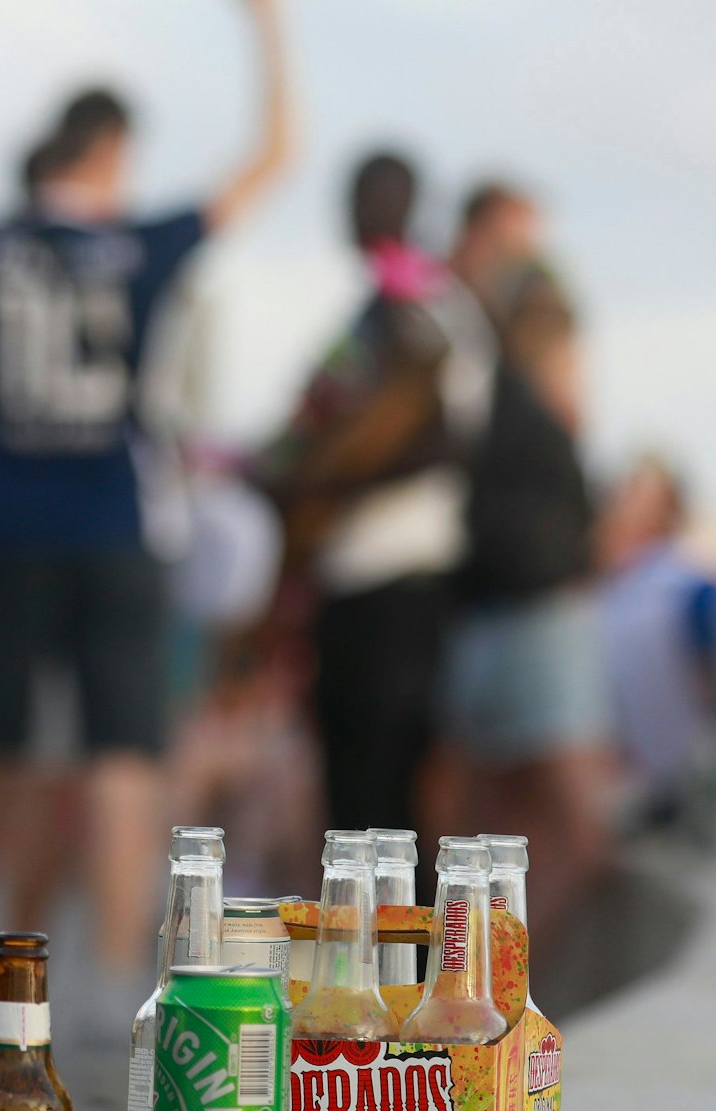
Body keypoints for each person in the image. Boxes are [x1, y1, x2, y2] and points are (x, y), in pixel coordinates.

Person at [0, 0, 295, 1059]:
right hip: (116, 530)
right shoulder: (142, 244)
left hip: (2, 535)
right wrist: (266, 32)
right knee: (123, 763)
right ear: (112, 152)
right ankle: (107, 991)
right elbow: (270, 157)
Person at [258, 152, 495, 879]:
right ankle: (363, 984)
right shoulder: (375, 310)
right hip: (348, 576)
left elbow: (445, 439)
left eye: (376, 197)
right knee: (350, 806)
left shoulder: (433, 308)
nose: (361, 213)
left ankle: (409, 985)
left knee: (390, 802)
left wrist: (334, 480)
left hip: (403, 576)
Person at [440, 182, 612, 936]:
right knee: (564, 831)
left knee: (494, 830)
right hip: (535, 617)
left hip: (490, 616)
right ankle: (505, 986)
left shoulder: (483, 384)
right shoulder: (515, 393)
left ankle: (486, 983)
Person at [596, 455, 716, 827]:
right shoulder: (599, 591)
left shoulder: (691, 589)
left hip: (677, 786)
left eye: (649, 504)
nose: (633, 513)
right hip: (611, 783)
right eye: (627, 499)